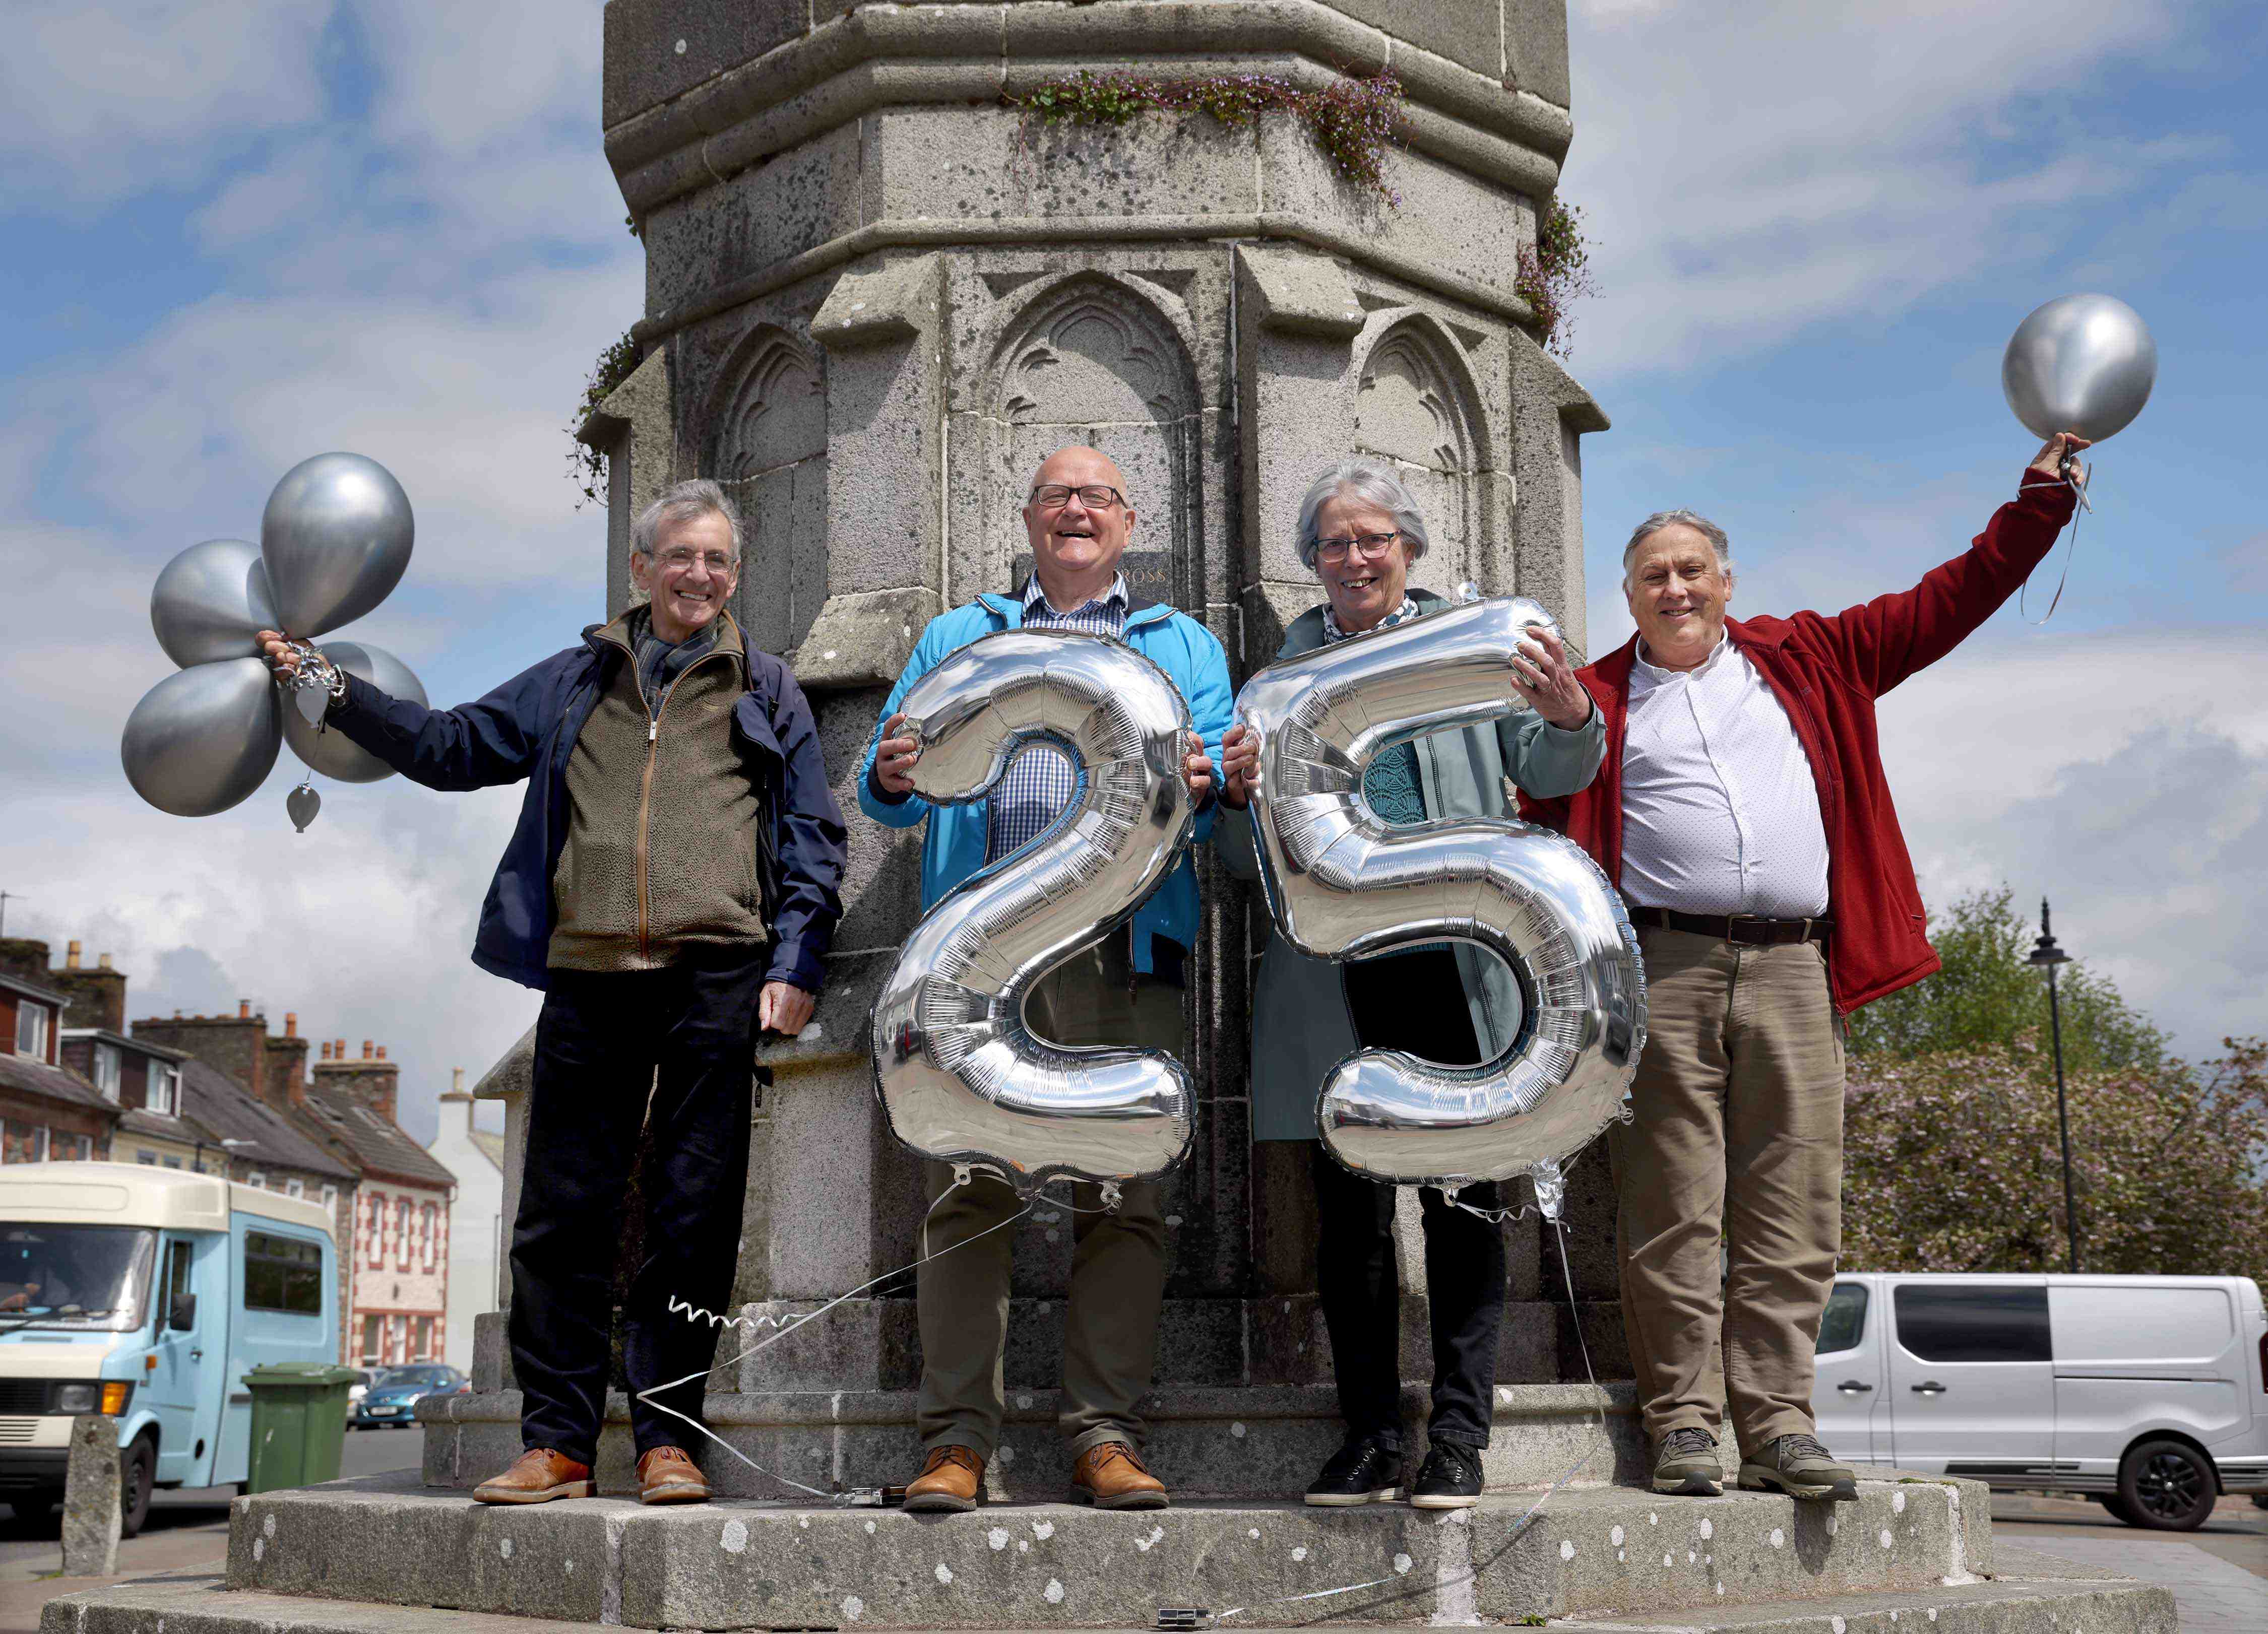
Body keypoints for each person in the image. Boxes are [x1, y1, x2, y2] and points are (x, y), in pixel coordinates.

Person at [1519, 434, 2091, 1503]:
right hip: (1664, 964)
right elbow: (1540, 819)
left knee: (1795, 1210)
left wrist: (2041, 503)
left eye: (1694, 568)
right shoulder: (1594, 698)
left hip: (1794, 965)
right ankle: (1685, 1424)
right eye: (1655, 574)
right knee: (1673, 1208)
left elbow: (1951, 598)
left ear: (1728, 584)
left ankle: (1780, 1423)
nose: (1676, 585)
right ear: (1630, 596)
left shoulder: (1812, 657)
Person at [258, 479, 846, 1508]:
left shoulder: (769, 688)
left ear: (734, 574)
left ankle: (669, 1438)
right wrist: (333, 689)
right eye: (680, 556)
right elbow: (449, 748)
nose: (698, 575)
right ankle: (559, 1441)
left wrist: (797, 962)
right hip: (589, 974)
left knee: (693, 1215)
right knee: (561, 1218)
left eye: (717, 560)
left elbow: (810, 836)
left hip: (719, 973)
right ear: (641, 567)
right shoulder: (575, 681)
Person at [1212, 458, 1604, 1509]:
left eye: (1373, 538)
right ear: (1312, 565)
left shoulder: (1474, 646)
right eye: (1334, 544)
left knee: (1467, 1205)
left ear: (1411, 550)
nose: (1355, 558)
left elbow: (1558, 769)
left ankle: (1460, 1436)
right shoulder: (1276, 682)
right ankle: (1371, 1432)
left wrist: (1569, 714)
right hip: (1335, 972)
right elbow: (1246, 867)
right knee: (1351, 1220)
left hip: (1459, 959)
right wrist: (1236, 800)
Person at [858, 445, 1232, 1513]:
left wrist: (1206, 779)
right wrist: (887, 774)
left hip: (1123, 947)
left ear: (1126, 524)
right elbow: (892, 791)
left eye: (1097, 498)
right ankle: (957, 1445)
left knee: (1124, 1192)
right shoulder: (957, 636)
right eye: (1058, 496)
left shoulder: (1184, 645)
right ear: (1029, 519)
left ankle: (1103, 1436)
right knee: (969, 1191)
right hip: (978, 958)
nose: (1077, 511)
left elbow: (1209, 780)